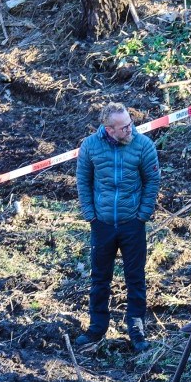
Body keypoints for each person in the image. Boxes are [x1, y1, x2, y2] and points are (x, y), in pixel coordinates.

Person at [75, 102, 161, 352]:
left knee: (136, 278)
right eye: (124, 127)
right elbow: (83, 181)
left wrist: (142, 215)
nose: (130, 130)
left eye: (130, 124)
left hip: (132, 224)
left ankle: (137, 329)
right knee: (100, 278)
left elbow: (152, 181)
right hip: (102, 225)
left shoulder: (143, 145)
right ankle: (96, 328)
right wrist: (91, 215)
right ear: (108, 129)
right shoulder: (90, 146)